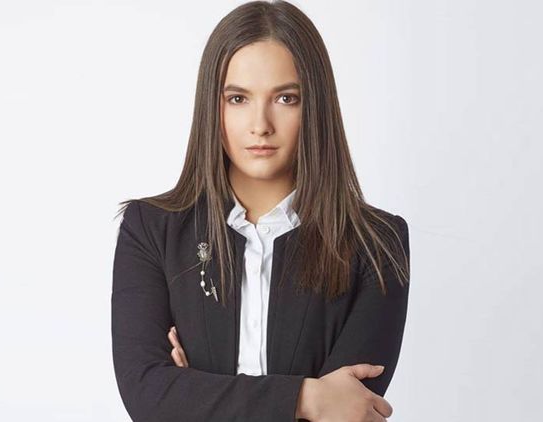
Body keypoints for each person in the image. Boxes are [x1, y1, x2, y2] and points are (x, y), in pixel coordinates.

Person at [111, 1, 410, 421]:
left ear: (315, 107)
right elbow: (147, 394)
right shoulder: (150, 230)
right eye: (237, 98)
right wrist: (308, 397)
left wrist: (194, 393)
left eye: (286, 98)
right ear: (212, 106)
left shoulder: (378, 244)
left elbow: (349, 410)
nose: (260, 125)